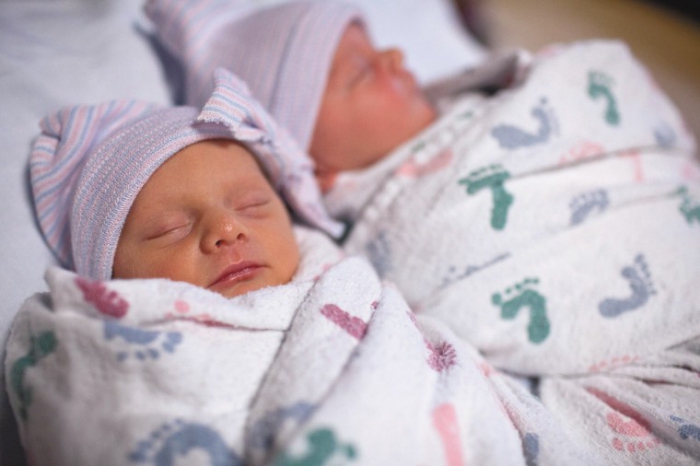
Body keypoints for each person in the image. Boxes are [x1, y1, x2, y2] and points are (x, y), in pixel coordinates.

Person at [29, 67, 343, 297]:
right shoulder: (108, 344)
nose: (228, 228)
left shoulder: (338, 278)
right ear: (110, 279)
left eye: (253, 204)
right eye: (171, 229)